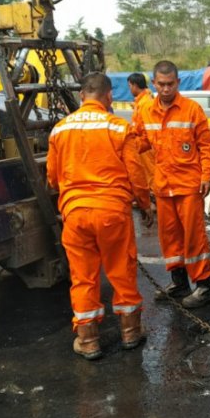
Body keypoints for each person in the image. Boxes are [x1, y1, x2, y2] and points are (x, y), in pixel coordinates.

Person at [47, 72, 154, 360]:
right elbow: (136, 175)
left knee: (83, 278)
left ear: (82, 96)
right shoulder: (119, 128)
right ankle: (131, 333)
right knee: (122, 271)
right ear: (108, 97)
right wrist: (145, 206)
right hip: (112, 213)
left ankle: (88, 341)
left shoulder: (59, 130)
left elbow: (53, 178)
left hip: (76, 214)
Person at [134, 60, 210, 308]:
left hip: (188, 186)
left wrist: (206, 176)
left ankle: (204, 286)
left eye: (170, 84)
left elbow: (205, 147)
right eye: (161, 84)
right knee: (170, 238)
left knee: (194, 238)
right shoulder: (146, 111)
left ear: (178, 83)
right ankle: (179, 282)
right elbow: (138, 141)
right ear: (154, 83)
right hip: (163, 186)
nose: (166, 89)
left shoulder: (192, 110)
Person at [128, 72, 156, 190]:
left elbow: (148, 127)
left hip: (146, 145)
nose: (129, 89)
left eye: (129, 86)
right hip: (141, 143)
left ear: (135, 85)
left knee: (151, 173)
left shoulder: (146, 103)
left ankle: (157, 198)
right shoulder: (141, 102)